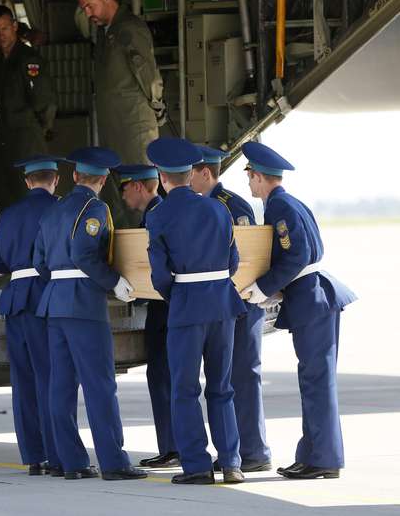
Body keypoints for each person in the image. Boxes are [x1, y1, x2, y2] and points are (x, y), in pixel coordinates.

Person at [242, 141, 357, 480]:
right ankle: (314, 455)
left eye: (249, 175)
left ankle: (323, 459)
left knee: (316, 380)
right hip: (311, 297)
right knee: (315, 379)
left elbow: (298, 255)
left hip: (312, 298)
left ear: (260, 177)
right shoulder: (285, 203)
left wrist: (262, 288)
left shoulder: (279, 207)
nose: (248, 181)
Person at [33, 146, 147, 481]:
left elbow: (40, 262)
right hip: (83, 304)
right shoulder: (94, 208)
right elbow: (85, 254)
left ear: (74, 176)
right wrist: (115, 282)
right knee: (99, 385)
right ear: (104, 179)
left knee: (61, 387)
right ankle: (113, 462)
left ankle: (72, 462)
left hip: (55, 303)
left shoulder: (54, 210)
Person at [145, 137, 246, 485]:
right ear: (190, 174)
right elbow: (233, 261)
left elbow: (160, 275)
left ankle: (198, 466)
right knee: (222, 387)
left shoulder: (159, 216)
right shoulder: (219, 208)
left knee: (184, 388)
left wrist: (179, 294)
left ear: (161, 176)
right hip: (222, 304)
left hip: (186, 306)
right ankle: (231, 463)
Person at [190, 146, 273, 473]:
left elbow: (244, 261)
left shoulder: (230, 206)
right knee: (227, 378)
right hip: (222, 304)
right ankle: (239, 451)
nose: (188, 177)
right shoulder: (205, 206)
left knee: (243, 376)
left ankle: (253, 451)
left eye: (191, 171)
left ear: (205, 173)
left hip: (239, 303)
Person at [0, 155, 62, 476]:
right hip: (47, 296)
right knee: (51, 377)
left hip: (16, 300)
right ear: (56, 180)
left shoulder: (9, 215)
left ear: (27, 182)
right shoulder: (59, 209)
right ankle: (57, 452)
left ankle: (34, 456)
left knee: (24, 381)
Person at [76, 0, 165, 229]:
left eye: (89, 5)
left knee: (139, 194)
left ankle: (147, 255)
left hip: (134, 128)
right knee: (118, 199)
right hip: (115, 131)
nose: (87, 12)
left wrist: (156, 106)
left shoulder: (128, 28)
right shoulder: (108, 33)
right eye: (83, 8)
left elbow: (147, 73)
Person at [116, 164, 179, 468]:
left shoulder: (157, 215)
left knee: (164, 376)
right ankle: (172, 445)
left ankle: (173, 447)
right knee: (165, 376)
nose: (122, 194)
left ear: (138, 187)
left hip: (164, 308)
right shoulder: (155, 212)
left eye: (124, 187)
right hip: (164, 307)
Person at [0, 6, 58, 212]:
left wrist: (40, 130)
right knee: (7, 195)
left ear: (15, 27)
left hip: (28, 135)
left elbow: (44, 101)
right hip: (6, 137)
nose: (1, 35)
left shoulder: (28, 59)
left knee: (28, 192)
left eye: (5, 29)